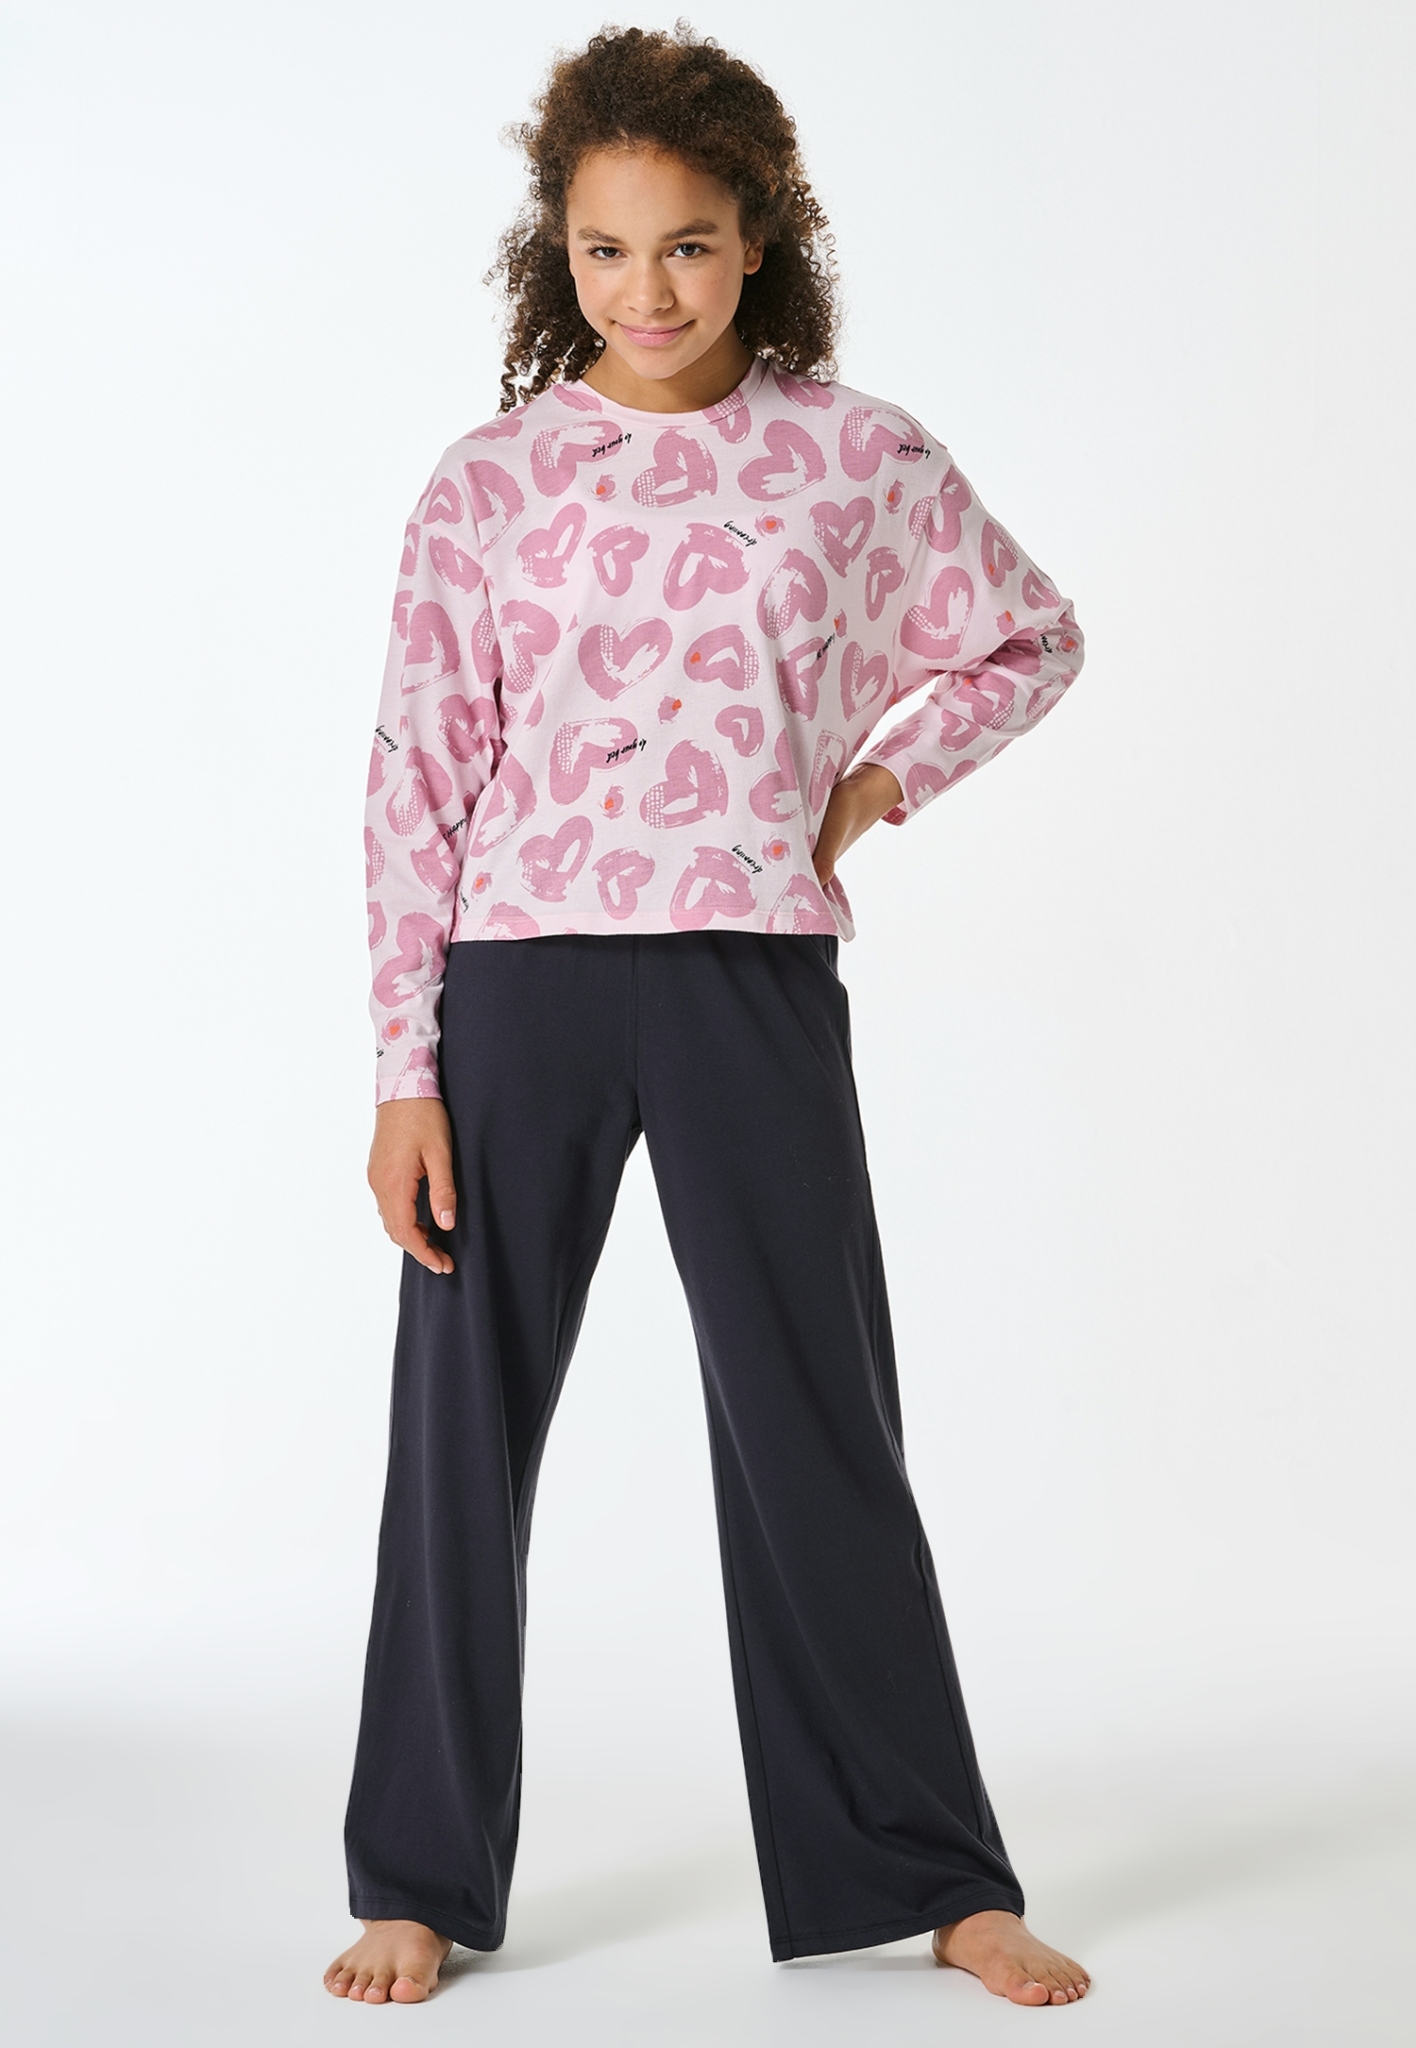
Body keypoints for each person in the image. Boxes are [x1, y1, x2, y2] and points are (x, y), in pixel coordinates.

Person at [325, 22, 1089, 2009]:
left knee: (818, 1418)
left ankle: (932, 1870)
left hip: (748, 969)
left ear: (758, 240)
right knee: (461, 1431)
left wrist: (876, 784)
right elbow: (417, 770)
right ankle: (416, 1874)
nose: (646, 289)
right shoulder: (491, 482)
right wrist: (404, 1067)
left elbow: (1030, 636)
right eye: (605, 249)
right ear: (556, 251)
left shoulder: (857, 455)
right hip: (514, 984)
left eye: (685, 244)